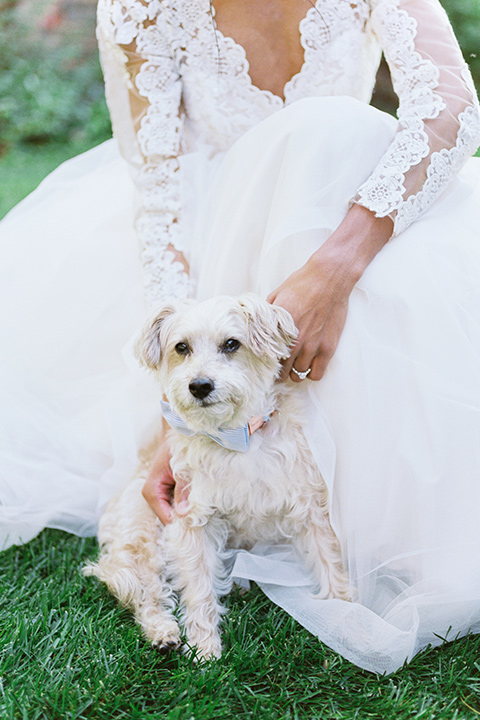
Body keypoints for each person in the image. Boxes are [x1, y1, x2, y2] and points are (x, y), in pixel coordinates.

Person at [0, 0, 480, 674]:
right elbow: (164, 201)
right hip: (221, 246)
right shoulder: (142, 7)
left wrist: (335, 270)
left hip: (358, 220)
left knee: (334, 129)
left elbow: (451, 107)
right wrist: (180, 415)